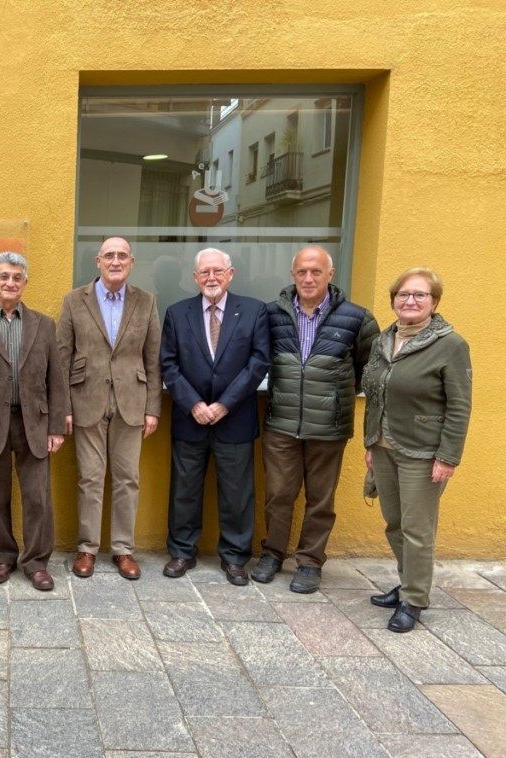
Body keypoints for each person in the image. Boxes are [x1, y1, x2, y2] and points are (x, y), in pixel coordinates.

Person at [251, 246, 379, 593]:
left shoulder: (357, 318)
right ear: (292, 274)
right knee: (278, 494)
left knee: (321, 498)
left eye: (316, 272)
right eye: (302, 272)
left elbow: (368, 371)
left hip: (329, 426)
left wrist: (337, 399)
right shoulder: (272, 314)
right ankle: (273, 554)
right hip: (281, 422)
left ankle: (309, 562)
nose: (309, 278)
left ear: (330, 274)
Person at [363, 268, 471, 632]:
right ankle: (408, 582)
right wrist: (370, 442)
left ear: (434, 302)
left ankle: (414, 599)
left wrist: (448, 456)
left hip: (423, 452)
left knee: (417, 529)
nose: (409, 301)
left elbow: (459, 405)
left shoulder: (451, 344)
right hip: (383, 446)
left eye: (419, 295)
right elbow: (376, 393)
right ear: (394, 300)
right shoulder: (384, 340)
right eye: (403, 295)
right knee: (394, 523)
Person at [159, 247, 269, 585]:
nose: (211, 277)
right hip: (189, 418)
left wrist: (224, 404)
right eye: (204, 272)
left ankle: (235, 558)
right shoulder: (177, 313)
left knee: (237, 494)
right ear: (194, 277)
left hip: (234, 418)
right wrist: (194, 404)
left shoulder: (253, 311)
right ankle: (182, 552)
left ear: (230, 274)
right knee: (184, 490)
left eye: (217, 271)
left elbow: (259, 362)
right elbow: (168, 364)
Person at [0, 252, 67, 591]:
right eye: (3, 276)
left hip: (34, 424)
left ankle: (36, 563)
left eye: (16, 277)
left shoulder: (44, 325)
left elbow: (57, 380)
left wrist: (55, 428)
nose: (10, 283)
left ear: (25, 283)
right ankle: (3, 557)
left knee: (38, 497)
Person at [57, 236, 161, 580]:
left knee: (127, 479)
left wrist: (153, 408)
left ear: (131, 262)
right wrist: (63, 408)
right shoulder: (74, 301)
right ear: (98, 262)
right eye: (109, 256)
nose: (115, 261)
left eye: (122, 256)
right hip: (85, 399)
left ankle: (122, 549)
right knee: (90, 478)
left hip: (132, 400)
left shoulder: (146, 302)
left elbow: (153, 358)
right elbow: (62, 357)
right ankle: (87, 548)